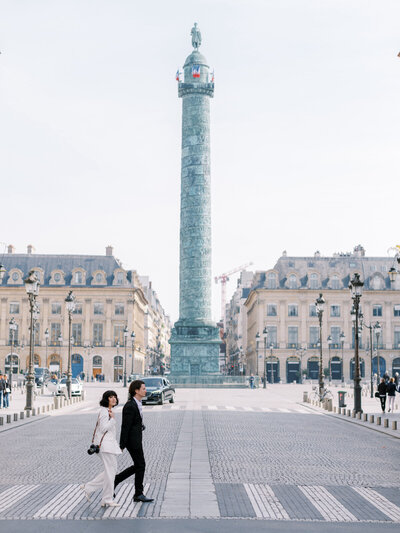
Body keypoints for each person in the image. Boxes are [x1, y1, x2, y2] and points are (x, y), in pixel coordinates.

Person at [114, 380, 154, 503]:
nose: (145, 390)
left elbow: (135, 421)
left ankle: (117, 480)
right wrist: (122, 445)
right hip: (133, 441)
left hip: (136, 439)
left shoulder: (137, 403)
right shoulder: (130, 406)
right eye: (143, 388)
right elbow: (125, 426)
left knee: (138, 465)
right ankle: (138, 493)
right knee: (141, 465)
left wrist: (141, 425)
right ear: (136, 391)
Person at [81, 390, 122, 508]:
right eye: (111, 397)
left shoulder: (108, 411)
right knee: (111, 472)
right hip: (106, 446)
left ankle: (89, 487)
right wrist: (113, 419)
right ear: (106, 399)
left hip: (107, 445)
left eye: (115, 397)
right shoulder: (105, 412)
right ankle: (107, 499)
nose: (114, 399)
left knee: (111, 471)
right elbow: (104, 428)